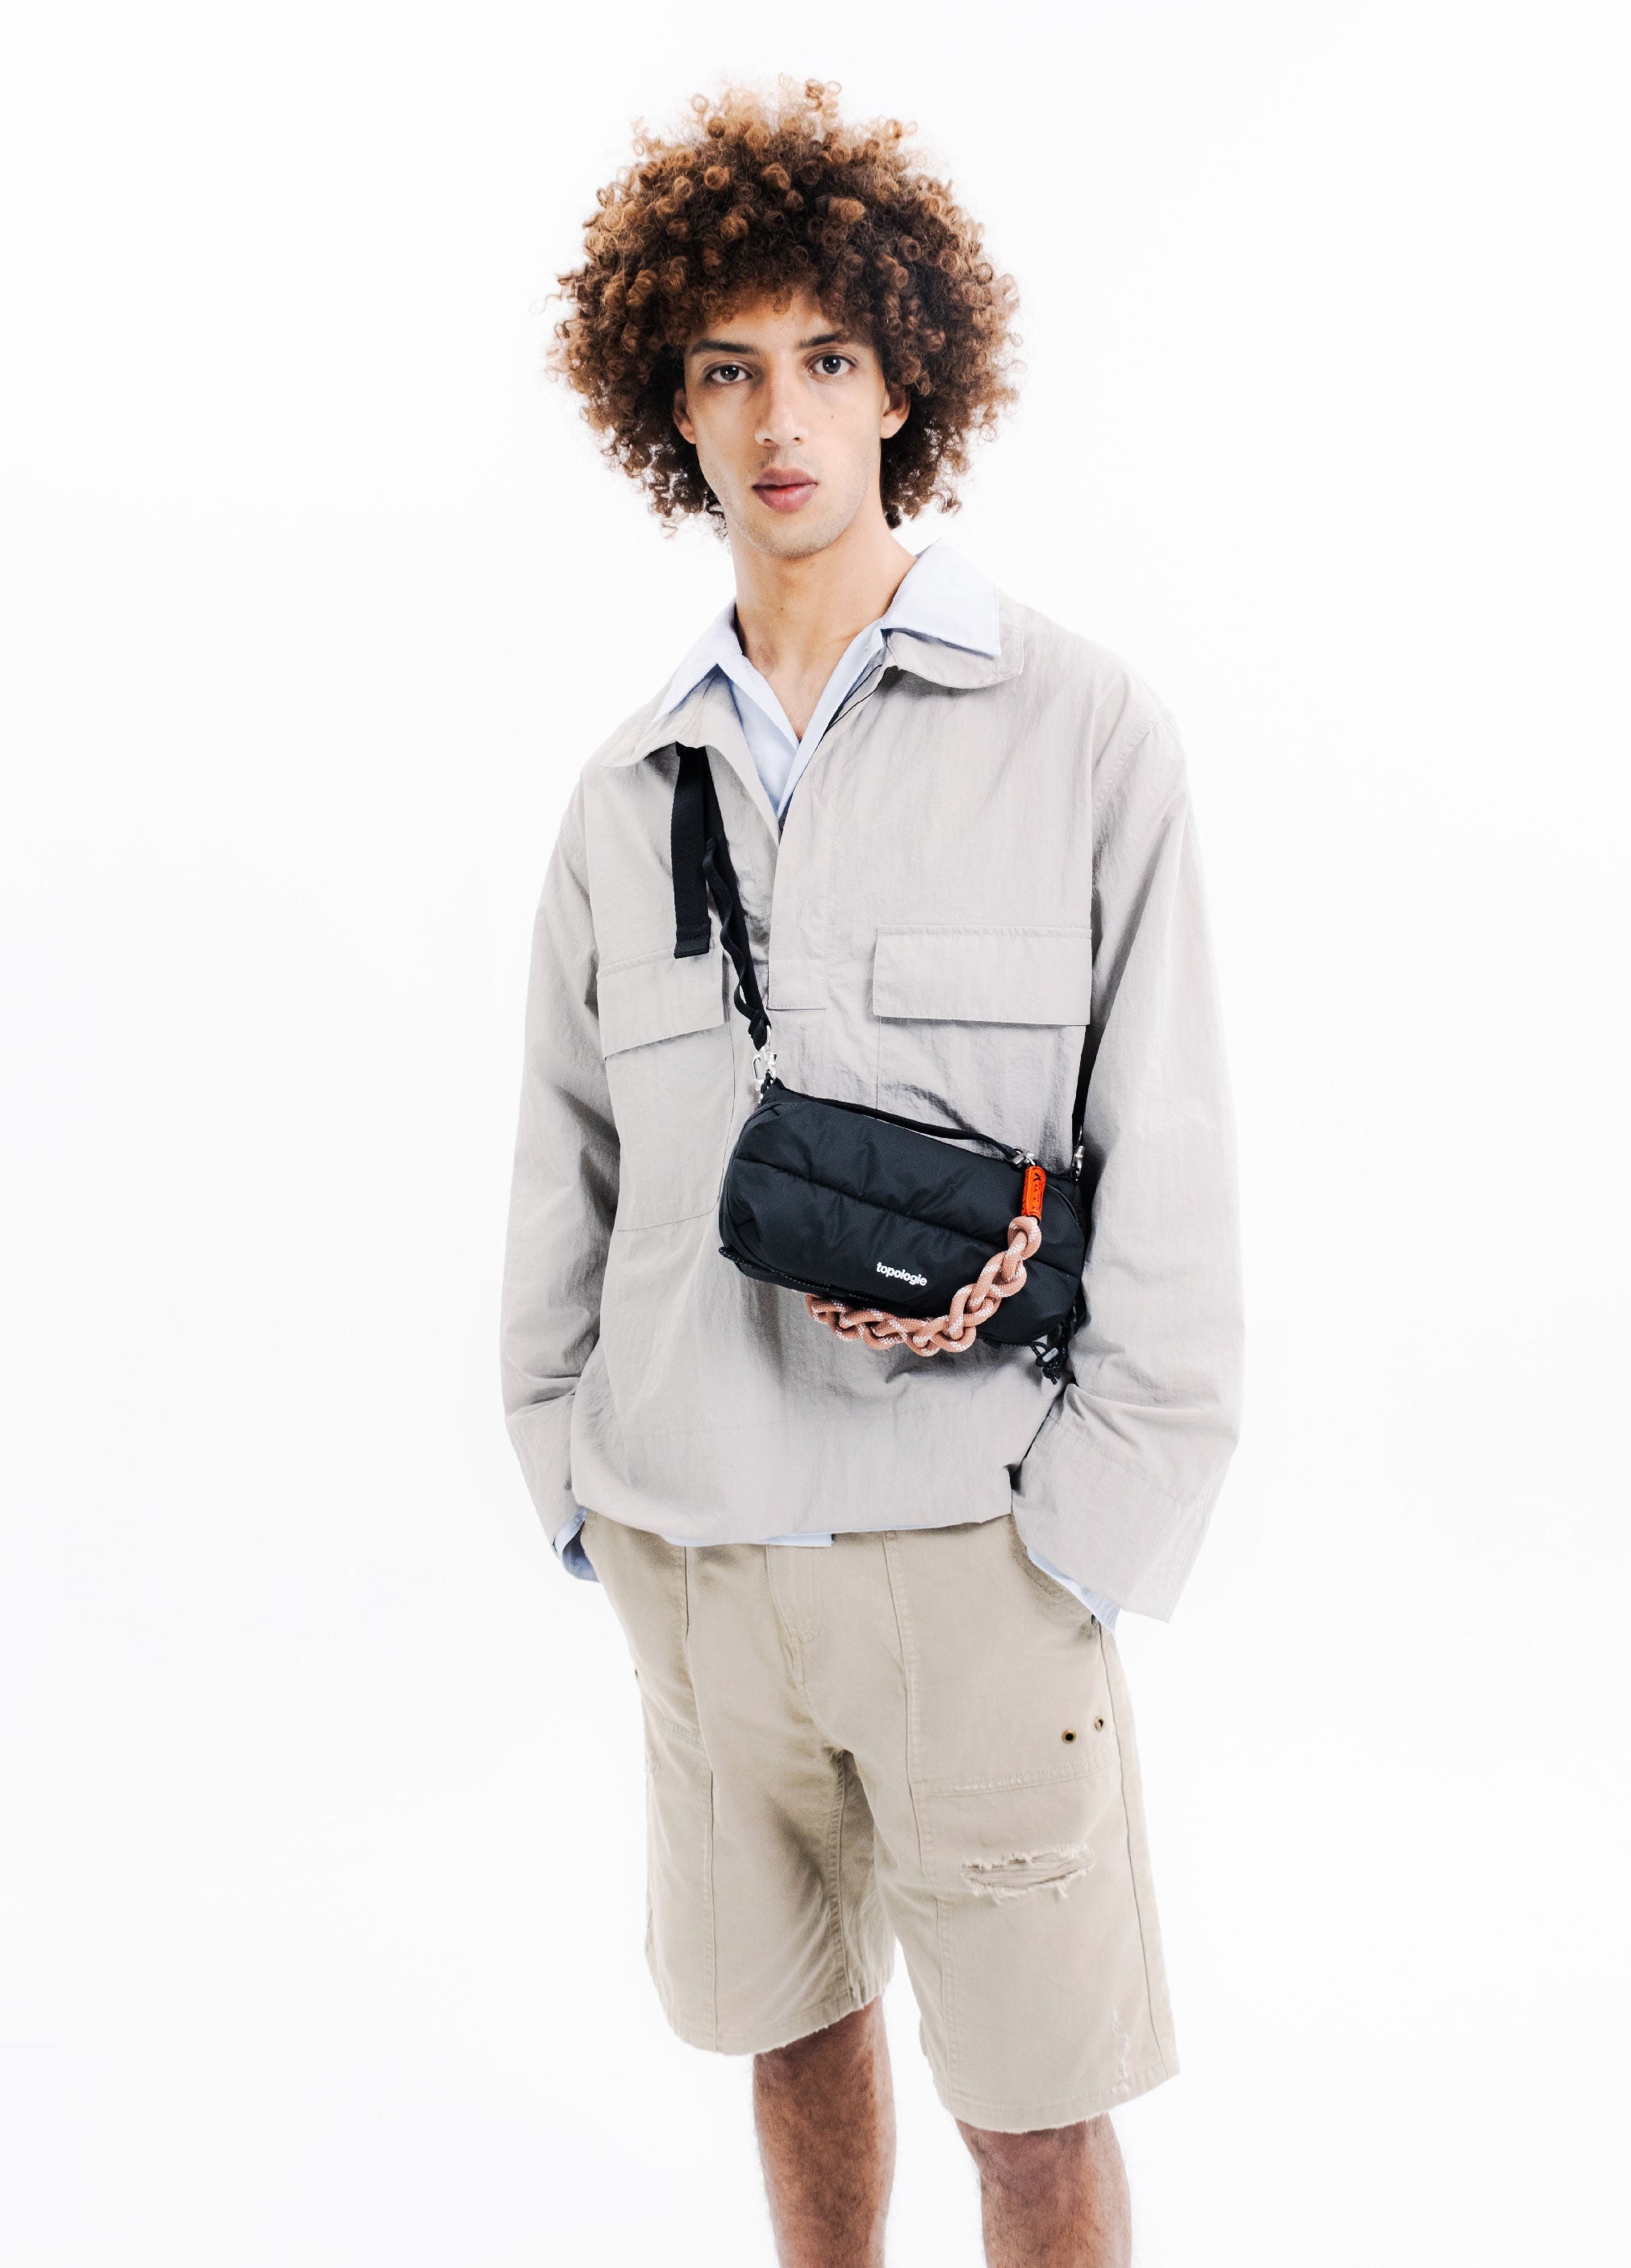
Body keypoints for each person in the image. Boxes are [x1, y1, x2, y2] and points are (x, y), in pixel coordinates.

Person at [501, 78, 1242, 2268]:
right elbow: (560, 1174)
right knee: (789, 2039)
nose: (778, 415)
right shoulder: (624, 791)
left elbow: (1175, 1153)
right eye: (726, 367)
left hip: (973, 1559)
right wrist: (580, 1489)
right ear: (673, 407)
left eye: (824, 356)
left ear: (904, 380)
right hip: (700, 1562)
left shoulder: (1081, 731)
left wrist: (1084, 1534)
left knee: (1035, 2123)